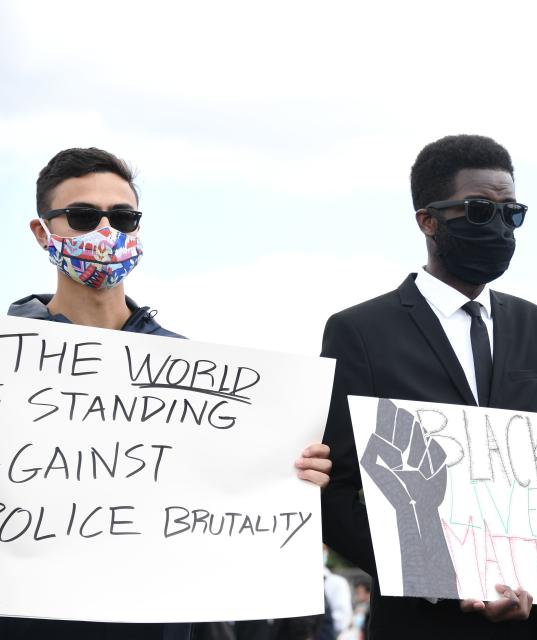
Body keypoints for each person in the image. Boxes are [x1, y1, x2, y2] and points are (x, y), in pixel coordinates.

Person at [320, 134, 537, 639]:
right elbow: (333, 489)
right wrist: (434, 576)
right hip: (425, 623)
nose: (497, 226)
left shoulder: (533, 324)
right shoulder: (361, 332)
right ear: (427, 220)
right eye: (478, 210)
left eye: (510, 213)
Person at [1, 147, 332, 640]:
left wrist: (296, 474)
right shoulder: (11, 358)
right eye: (83, 217)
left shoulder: (196, 374)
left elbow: (229, 501)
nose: (105, 232)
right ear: (41, 232)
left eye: (123, 217)